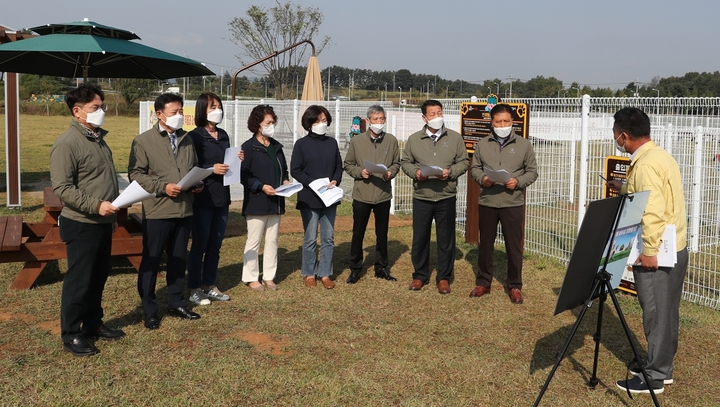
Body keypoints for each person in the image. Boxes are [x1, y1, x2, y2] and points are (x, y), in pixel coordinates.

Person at [608, 108, 688, 395]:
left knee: (655, 312)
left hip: (659, 251)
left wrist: (649, 252)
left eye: (616, 134)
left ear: (624, 135)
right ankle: (661, 365)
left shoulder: (643, 165)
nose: (616, 138)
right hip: (676, 246)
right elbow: (652, 194)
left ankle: (654, 376)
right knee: (666, 312)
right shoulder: (659, 156)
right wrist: (624, 187)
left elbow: (652, 211)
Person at [50, 84, 125, 356]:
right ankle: (71, 334)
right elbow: (63, 188)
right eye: (96, 107)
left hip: (103, 221)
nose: (101, 111)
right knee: (79, 281)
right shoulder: (67, 143)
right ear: (77, 111)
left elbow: (101, 180)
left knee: (98, 277)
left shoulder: (97, 138)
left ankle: (93, 324)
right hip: (82, 223)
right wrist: (96, 205)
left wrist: (112, 212)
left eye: (102, 106)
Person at [128, 93, 203, 330]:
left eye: (181, 111)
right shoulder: (143, 141)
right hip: (158, 210)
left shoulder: (188, 140)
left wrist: (197, 183)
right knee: (151, 261)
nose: (179, 116)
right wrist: (162, 187)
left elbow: (193, 168)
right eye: (174, 112)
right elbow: (136, 174)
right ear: (159, 114)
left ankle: (176, 301)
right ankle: (149, 309)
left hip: (184, 209)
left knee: (179, 259)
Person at [469, 104, 538, 304]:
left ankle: (515, 286)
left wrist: (518, 182)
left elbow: (532, 172)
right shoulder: (482, 144)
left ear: (512, 122)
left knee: (514, 247)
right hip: (488, 201)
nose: (502, 125)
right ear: (491, 122)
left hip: (512, 202)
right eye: (498, 121)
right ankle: (484, 282)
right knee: (485, 246)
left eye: (506, 121)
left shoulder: (524, 145)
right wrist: (483, 179)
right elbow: (475, 169)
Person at [400, 100, 469, 294]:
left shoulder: (455, 138)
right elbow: (406, 162)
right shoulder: (414, 139)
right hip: (422, 195)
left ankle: (444, 277)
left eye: (439, 113)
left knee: (446, 239)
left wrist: (451, 172)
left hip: (446, 195)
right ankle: (420, 275)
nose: (437, 117)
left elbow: (464, 162)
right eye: (432, 114)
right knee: (420, 238)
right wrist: (416, 173)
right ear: (424, 117)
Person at [187, 92, 242, 305]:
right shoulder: (195, 136)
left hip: (222, 197)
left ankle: (209, 285)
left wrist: (237, 159)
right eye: (212, 107)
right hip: (203, 198)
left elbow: (226, 161)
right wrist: (211, 169)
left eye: (218, 106)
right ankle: (194, 288)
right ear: (202, 110)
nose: (217, 110)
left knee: (215, 245)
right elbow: (191, 166)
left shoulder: (224, 134)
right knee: (199, 244)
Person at [343, 105, 400, 284]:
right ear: (368, 121)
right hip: (362, 194)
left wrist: (390, 172)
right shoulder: (357, 141)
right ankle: (355, 268)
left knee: (382, 233)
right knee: (358, 232)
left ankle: (381, 267)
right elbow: (348, 164)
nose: (379, 122)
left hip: (383, 194)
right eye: (375, 119)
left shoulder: (391, 140)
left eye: (382, 119)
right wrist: (361, 172)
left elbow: (397, 163)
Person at [290, 105, 343, 289]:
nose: (322, 123)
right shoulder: (301, 144)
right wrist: (313, 183)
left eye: (324, 120)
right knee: (310, 237)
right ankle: (309, 272)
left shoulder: (332, 142)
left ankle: (325, 273)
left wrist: (336, 180)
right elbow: (295, 169)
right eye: (318, 120)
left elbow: (338, 166)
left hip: (329, 196)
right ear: (309, 123)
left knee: (328, 237)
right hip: (309, 196)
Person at [241, 105, 290, 291]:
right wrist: (261, 187)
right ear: (257, 124)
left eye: (273, 122)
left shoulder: (276, 146)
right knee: (253, 241)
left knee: (272, 240)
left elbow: (283, 169)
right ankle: (251, 276)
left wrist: (285, 180)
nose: (272, 125)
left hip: (276, 201)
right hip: (257, 201)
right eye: (268, 122)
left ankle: (269, 276)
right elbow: (243, 175)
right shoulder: (249, 147)